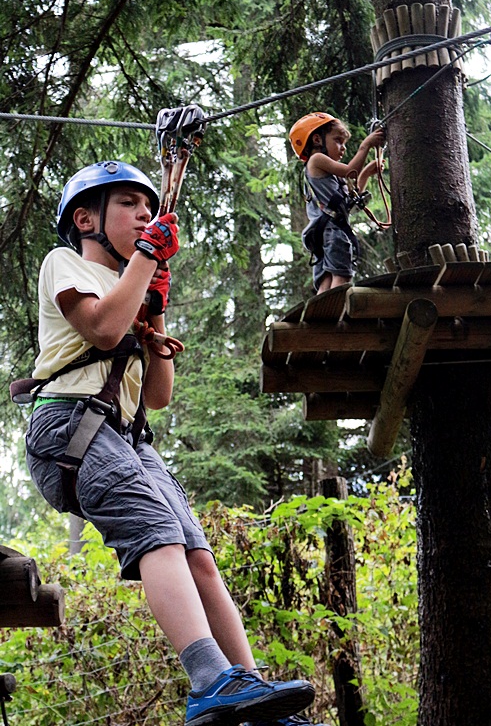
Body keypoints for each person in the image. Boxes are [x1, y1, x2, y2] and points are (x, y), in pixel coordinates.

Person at [23, 161, 316, 726]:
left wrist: (155, 309)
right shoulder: (65, 263)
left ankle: (251, 695)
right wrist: (145, 262)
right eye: (128, 203)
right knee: (157, 535)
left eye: (148, 207)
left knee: (197, 555)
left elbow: (157, 396)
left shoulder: (135, 288)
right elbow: (103, 329)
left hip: (127, 436)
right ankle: (209, 680)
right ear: (85, 219)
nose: (144, 214)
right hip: (71, 423)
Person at [289, 112, 385, 294]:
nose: (343, 148)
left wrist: (366, 173)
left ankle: (323, 310)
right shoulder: (317, 160)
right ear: (317, 140)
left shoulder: (329, 174)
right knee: (342, 276)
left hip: (323, 232)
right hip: (331, 231)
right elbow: (350, 170)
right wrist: (365, 145)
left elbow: (351, 199)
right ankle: (337, 309)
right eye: (338, 141)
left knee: (326, 281)